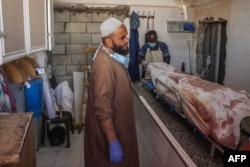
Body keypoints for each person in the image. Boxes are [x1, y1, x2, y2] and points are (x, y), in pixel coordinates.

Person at [84, 17, 139, 167]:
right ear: (108, 42)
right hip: (109, 138)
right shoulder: (105, 65)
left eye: (126, 35)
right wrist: (113, 141)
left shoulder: (113, 57)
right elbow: (102, 109)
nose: (127, 40)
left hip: (121, 129)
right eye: (122, 37)